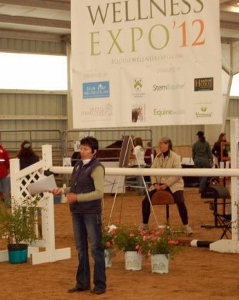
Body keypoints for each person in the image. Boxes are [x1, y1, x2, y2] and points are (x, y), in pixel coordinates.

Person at [52, 136, 106, 295]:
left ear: (94, 152)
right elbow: (76, 187)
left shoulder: (97, 168)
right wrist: (63, 190)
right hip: (77, 212)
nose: (82, 151)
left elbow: (99, 193)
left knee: (96, 248)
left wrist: (77, 198)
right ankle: (82, 282)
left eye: (86, 149)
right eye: (81, 148)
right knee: (81, 248)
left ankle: (100, 284)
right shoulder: (78, 165)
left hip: (91, 212)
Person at [138, 137, 193, 236]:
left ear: (167, 145)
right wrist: (155, 184)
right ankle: (145, 224)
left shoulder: (175, 157)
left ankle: (186, 226)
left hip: (174, 185)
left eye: (162, 143)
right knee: (145, 201)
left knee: (180, 201)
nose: (160, 145)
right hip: (158, 185)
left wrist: (166, 184)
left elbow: (177, 174)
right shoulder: (157, 157)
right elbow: (152, 171)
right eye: (159, 143)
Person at [0, 141, 10, 207]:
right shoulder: (3, 150)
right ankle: (7, 204)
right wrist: (7, 168)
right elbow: (7, 162)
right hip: (3, 172)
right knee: (5, 188)